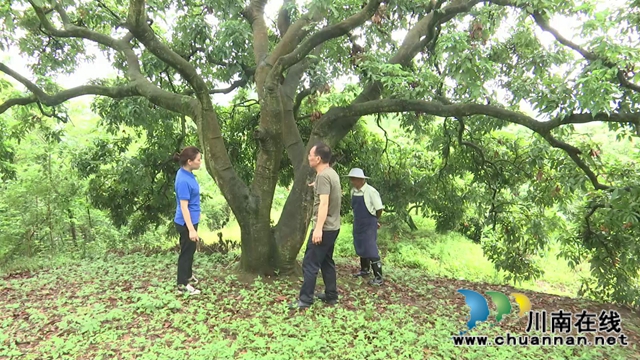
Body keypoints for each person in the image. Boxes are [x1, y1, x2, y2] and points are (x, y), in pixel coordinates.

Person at [289, 142, 342, 309]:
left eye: (311, 155)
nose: (309, 157)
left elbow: (324, 204)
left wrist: (318, 229)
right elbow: (328, 193)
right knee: (326, 261)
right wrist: (316, 187)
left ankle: (305, 300)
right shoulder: (331, 173)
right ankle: (331, 295)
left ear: (318, 159)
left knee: (310, 263)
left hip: (324, 228)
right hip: (334, 226)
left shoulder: (323, 176)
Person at [346, 168, 385, 286]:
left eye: (355, 179)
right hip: (358, 222)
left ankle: (378, 277)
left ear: (362, 180)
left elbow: (379, 208)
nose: (353, 181)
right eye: (351, 179)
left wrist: (374, 220)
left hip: (369, 222)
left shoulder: (371, 191)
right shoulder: (353, 191)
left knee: (371, 248)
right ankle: (364, 270)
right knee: (361, 245)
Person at [173, 146, 202, 295]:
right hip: (185, 222)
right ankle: (182, 284)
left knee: (190, 251)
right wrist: (191, 229)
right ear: (190, 161)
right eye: (198, 160)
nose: (200, 162)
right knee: (186, 253)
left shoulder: (187, 173)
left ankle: (188, 275)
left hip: (191, 219)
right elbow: (184, 207)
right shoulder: (183, 180)